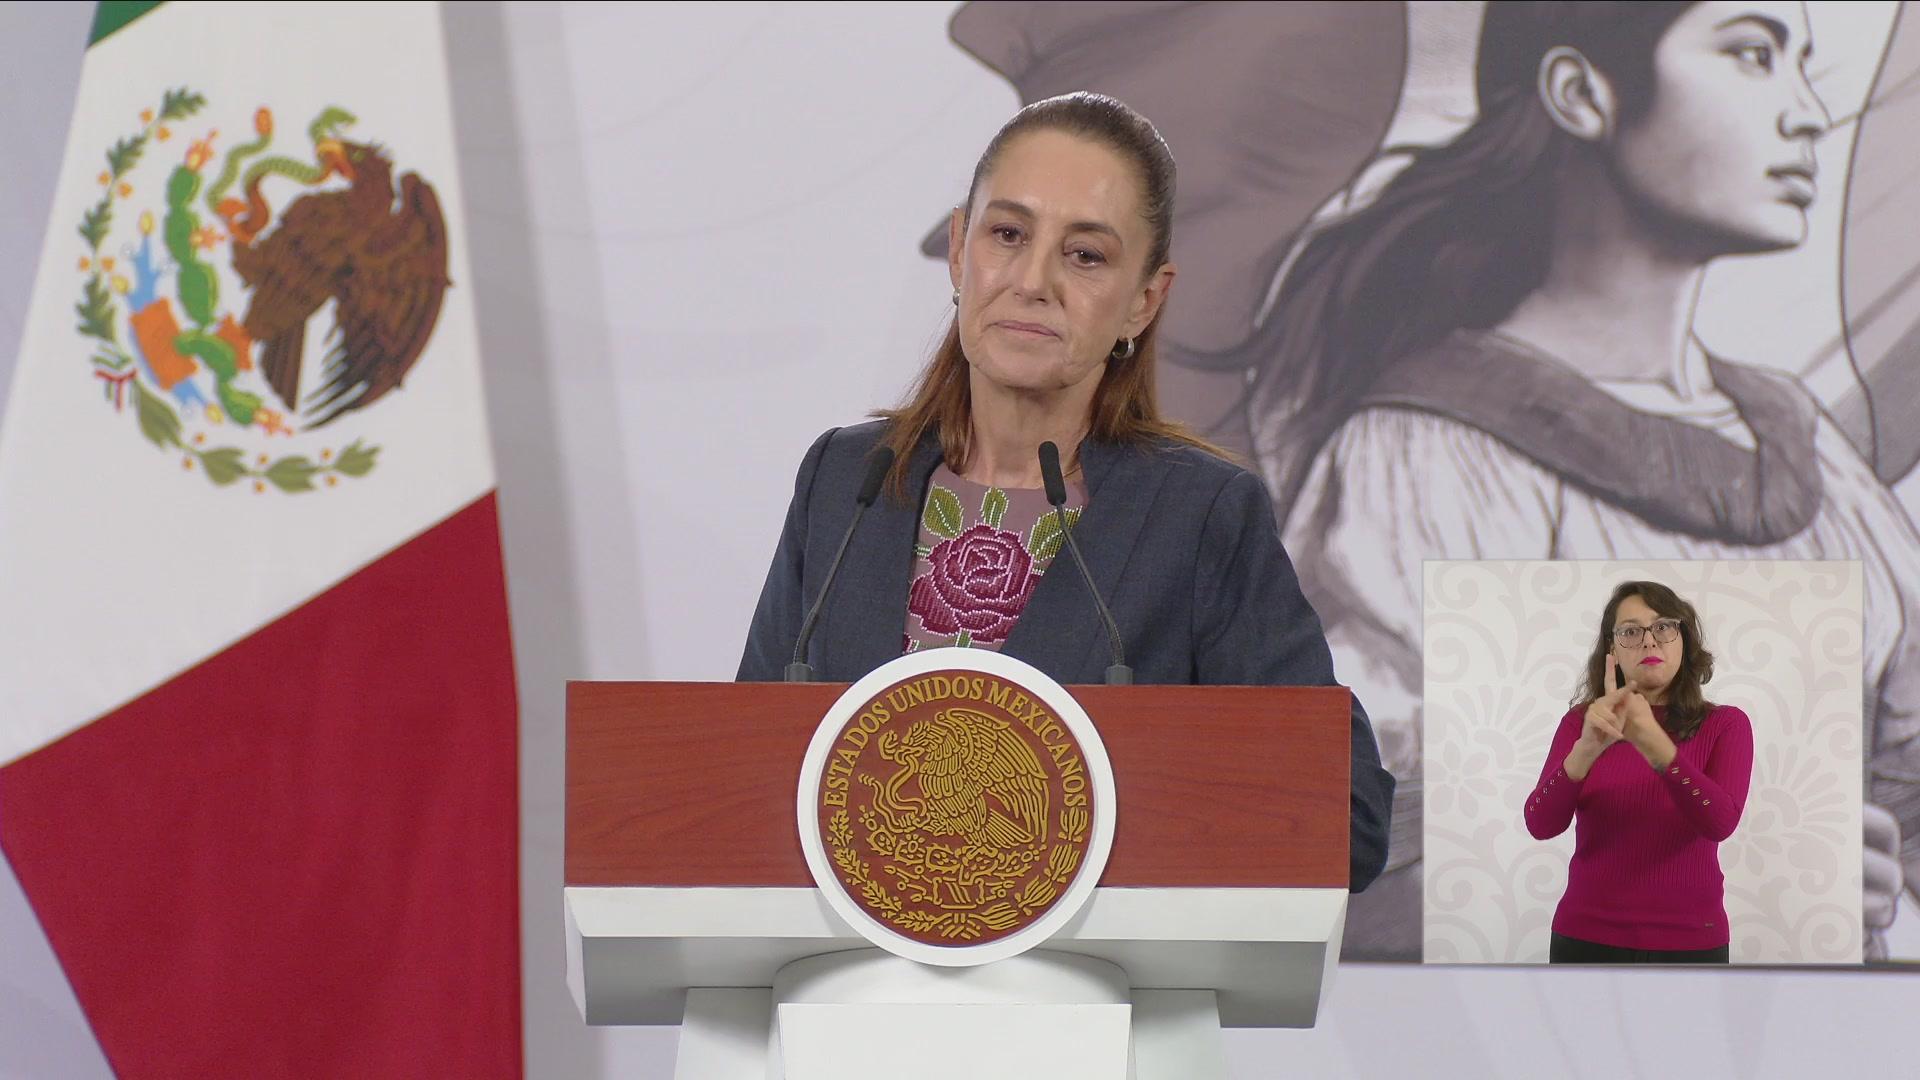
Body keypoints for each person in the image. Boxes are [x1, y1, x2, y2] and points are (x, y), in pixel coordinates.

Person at [1243, 0, 1919, 959]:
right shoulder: (1424, 456)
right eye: (1752, 54)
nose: (1810, 112)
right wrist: (1760, 872)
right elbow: (1348, 862)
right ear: (1581, 92)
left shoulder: (1808, 447)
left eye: (1804, 64)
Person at [737, 92, 1395, 893]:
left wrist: (1104, 819)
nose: (1033, 281)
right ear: (959, 252)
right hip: (848, 973)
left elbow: (1348, 819)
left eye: (1085, 255)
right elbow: (738, 778)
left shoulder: (1199, 517)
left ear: (1144, 301)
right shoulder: (848, 483)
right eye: (1008, 235)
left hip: (1091, 973)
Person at [1524, 581, 1752, 963]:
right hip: (1584, 937)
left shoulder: (1726, 724)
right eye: (1631, 632)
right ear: (1612, 649)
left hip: (1692, 943)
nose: (1649, 641)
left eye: (1663, 627)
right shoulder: (1582, 723)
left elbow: (1720, 822)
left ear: (1684, 641)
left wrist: (1654, 744)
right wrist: (1586, 750)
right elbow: (1540, 823)